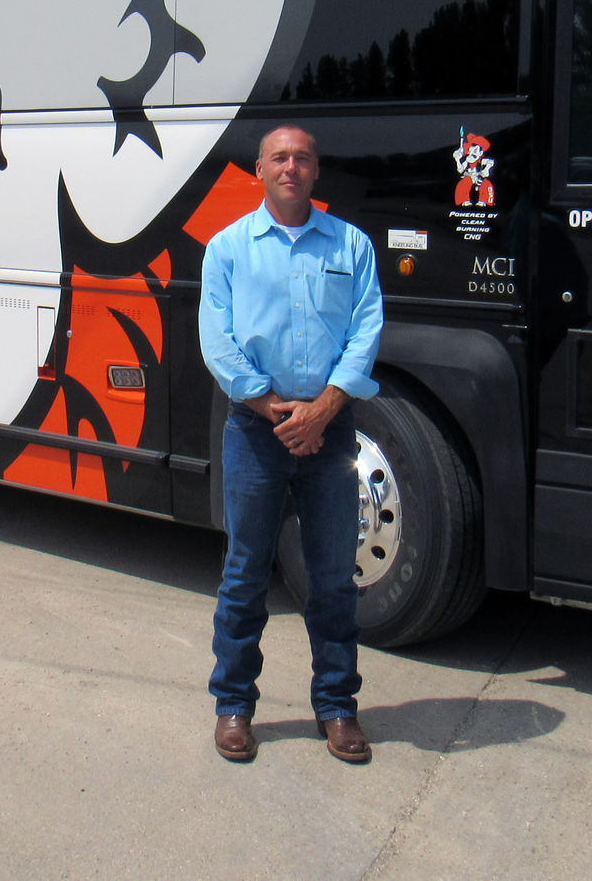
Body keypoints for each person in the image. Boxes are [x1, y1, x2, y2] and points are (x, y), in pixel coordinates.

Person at [198, 125, 384, 764]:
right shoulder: (227, 248)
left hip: (330, 433)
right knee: (245, 573)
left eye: (302, 158)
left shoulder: (352, 245)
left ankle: (337, 707)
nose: (290, 167)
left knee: (333, 577)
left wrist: (324, 408)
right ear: (259, 169)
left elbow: (366, 329)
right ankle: (233, 705)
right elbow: (217, 339)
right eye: (279, 157)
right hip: (256, 431)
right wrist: (269, 405)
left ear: (316, 170)